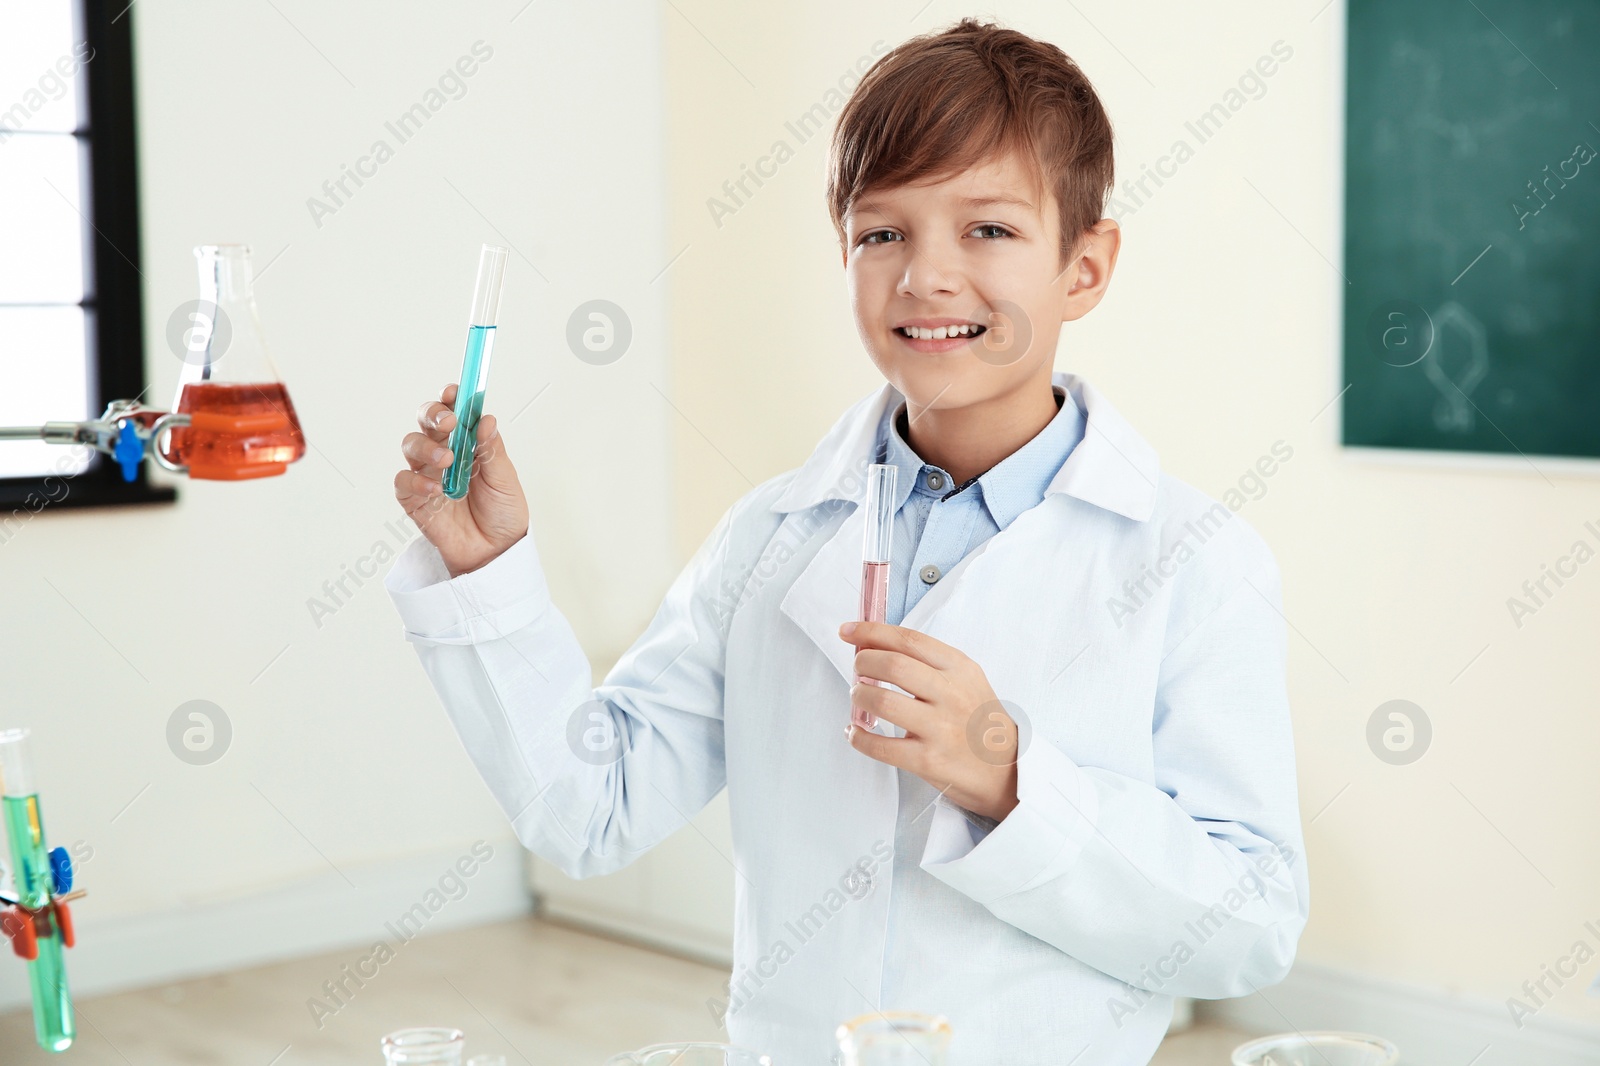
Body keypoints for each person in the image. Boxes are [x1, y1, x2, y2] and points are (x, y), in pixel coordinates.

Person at [386, 18, 1307, 1065]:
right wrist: (483, 570)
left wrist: (1007, 780)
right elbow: (587, 807)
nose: (925, 276)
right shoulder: (773, 536)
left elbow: (1250, 924)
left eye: (988, 230)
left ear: (1084, 268)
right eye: (882, 233)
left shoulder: (1193, 559)